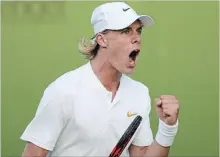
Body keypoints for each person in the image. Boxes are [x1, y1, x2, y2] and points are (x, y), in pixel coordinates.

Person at [21, 2, 180, 157]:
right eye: (126, 31)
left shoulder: (140, 93)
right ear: (102, 40)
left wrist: (168, 128)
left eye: (138, 31)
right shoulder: (63, 91)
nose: (136, 38)